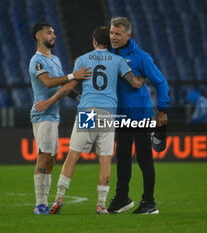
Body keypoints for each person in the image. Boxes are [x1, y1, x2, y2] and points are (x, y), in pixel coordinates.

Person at [37, 26, 143, 215]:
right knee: (105, 160)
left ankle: (58, 199)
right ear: (109, 42)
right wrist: (143, 76)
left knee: (72, 157)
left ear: (94, 41)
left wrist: (49, 102)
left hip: (87, 112)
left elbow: (68, 87)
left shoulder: (83, 60)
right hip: (108, 114)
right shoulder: (118, 61)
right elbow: (135, 83)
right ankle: (101, 205)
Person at [107, 17, 170, 214]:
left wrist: (162, 110)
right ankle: (122, 199)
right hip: (121, 114)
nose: (113, 37)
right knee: (123, 156)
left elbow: (161, 82)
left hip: (141, 113)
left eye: (118, 34)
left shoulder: (142, 57)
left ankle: (149, 202)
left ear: (128, 35)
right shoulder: (108, 54)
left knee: (144, 158)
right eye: (111, 33)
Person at [29, 22, 92, 215]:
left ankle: (44, 202)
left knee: (52, 159)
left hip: (53, 114)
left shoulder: (55, 59)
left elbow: (62, 87)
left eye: (54, 32)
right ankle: (40, 204)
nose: (53, 35)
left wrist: (79, 97)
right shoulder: (37, 61)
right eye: (49, 33)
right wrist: (74, 74)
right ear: (38, 36)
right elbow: (48, 82)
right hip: (43, 113)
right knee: (44, 155)